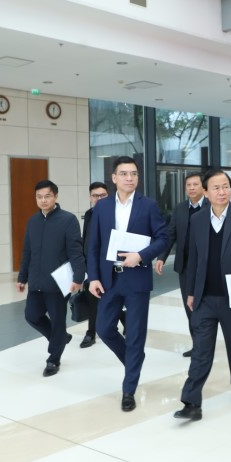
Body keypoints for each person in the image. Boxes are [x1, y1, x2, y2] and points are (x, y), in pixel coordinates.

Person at [174, 169, 231, 422]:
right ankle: (191, 401)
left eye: (226, 186)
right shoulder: (198, 219)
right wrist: (191, 291)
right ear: (206, 191)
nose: (222, 192)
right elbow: (194, 259)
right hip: (204, 297)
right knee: (201, 350)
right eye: (216, 187)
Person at [87, 156, 169, 412]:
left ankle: (128, 390)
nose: (129, 178)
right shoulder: (102, 207)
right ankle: (134, 360)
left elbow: (163, 237)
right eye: (124, 174)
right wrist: (93, 277)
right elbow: (93, 245)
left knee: (135, 335)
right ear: (114, 178)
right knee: (104, 328)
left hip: (136, 278)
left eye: (133, 173)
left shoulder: (148, 205)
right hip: (109, 278)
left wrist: (141, 256)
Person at [17, 180, 85, 377]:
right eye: (39, 197)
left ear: (55, 196)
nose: (43, 200)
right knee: (32, 315)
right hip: (36, 282)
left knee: (57, 321)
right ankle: (60, 338)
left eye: (47, 196)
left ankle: (53, 359)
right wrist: (22, 277)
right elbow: (27, 252)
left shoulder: (68, 220)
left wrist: (79, 277)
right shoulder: (33, 221)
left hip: (58, 282)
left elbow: (76, 251)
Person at [155, 171, 207, 357]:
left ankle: (205, 344)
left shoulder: (211, 206)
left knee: (205, 306)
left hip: (207, 266)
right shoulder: (180, 208)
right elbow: (171, 234)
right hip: (185, 266)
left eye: (195, 184)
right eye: (188, 185)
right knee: (190, 307)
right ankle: (198, 345)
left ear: (203, 187)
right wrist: (161, 257)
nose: (191, 188)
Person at [80, 182, 126, 348]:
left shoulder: (116, 213)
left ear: (109, 196)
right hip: (92, 264)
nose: (99, 199)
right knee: (94, 299)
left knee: (108, 298)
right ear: (90, 198)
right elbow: (86, 239)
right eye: (95, 196)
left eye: (102, 195)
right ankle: (91, 333)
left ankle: (121, 322)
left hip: (110, 264)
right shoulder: (89, 214)